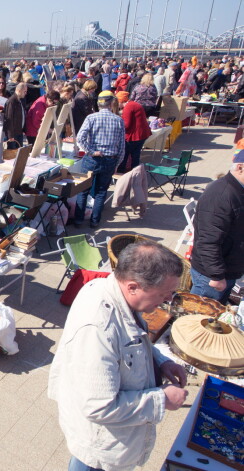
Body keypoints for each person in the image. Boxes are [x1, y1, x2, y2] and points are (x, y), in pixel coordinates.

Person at [49, 240, 188, 471]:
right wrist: (161, 399)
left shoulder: (113, 290)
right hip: (101, 451)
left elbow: (130, 339)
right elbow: (98, 407)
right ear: (133, 286)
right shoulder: (98, 328)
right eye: (164, 294)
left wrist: (160, 362)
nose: (167, 301)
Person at [189, 150, 244, 304]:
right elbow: (208, 241)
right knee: (199, 317)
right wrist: (217, 275)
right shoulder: (221, 195)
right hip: (212, 277)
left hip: (228, 269)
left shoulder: (237, 190)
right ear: (240, 167)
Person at [73, 91, 125, 229]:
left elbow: (80, 138)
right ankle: (94, 221)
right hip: (109, 159)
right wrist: (117, 163)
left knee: (83, 189)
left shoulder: (92, 118)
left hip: (93, 158)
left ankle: (78, 220)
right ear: (111, 103)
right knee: (101, 191)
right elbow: (121, 147)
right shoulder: (118, 120)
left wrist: (91, 151)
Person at [116, 91, 152, 174]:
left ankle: (121, 173)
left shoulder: (129, 107)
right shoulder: (133, 104)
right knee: (135, 155)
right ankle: (135, 173)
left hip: (135, 135)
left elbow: (126, 125)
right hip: (142, 134)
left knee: (124, 155)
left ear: (121, 101)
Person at [3, 83, 28, 148]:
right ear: (19, 91)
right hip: (13, 134)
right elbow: (9, 119)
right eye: (24, 91)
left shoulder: (20, 100)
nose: (26, 93)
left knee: (19, 153)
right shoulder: (12, 101)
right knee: (12, 155)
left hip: (19, 131)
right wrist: (10, 135)